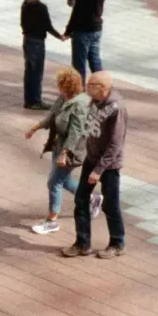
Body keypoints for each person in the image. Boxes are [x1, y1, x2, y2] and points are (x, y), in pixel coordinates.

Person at [61, 71, 126, 259]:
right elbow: (87, 129)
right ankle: (82, 243)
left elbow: (115, 144)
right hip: (91, 158)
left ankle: (117, 242)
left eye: (91, 84)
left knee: (111, 205)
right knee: (81, 199)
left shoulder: (116, 108)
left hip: (109, 165)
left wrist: (99, 170)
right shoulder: (94, 100)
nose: (87, 87)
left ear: (103, 88)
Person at [25, 69, 90, 235]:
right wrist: (35, 128)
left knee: (54, 183)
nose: (57, 86)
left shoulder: (80, 105)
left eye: (59, 83)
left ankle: (52, 220)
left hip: (70, 150)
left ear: (65, 86)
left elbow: (76, 132)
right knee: (64, 180)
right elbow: (52, 116)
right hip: (58, 145)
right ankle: (91, 197)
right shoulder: (63, 98)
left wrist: (65, 153)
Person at [20, 0, 65, 110]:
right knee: (37, 72)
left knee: (29, 70)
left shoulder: (25, 4)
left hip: (27, 40)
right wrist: (60, 36)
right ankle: (36, 100)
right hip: (38, 42)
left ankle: (28, 99)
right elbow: (47, 26)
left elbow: (22, 22)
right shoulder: (41, 7)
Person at [62, 0, 106, 80]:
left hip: (83, 31)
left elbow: (76, 10)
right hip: (97, 28)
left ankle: (79, 95)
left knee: (78, 67)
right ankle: (103, 90)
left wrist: (68, 31)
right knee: (95, 62)